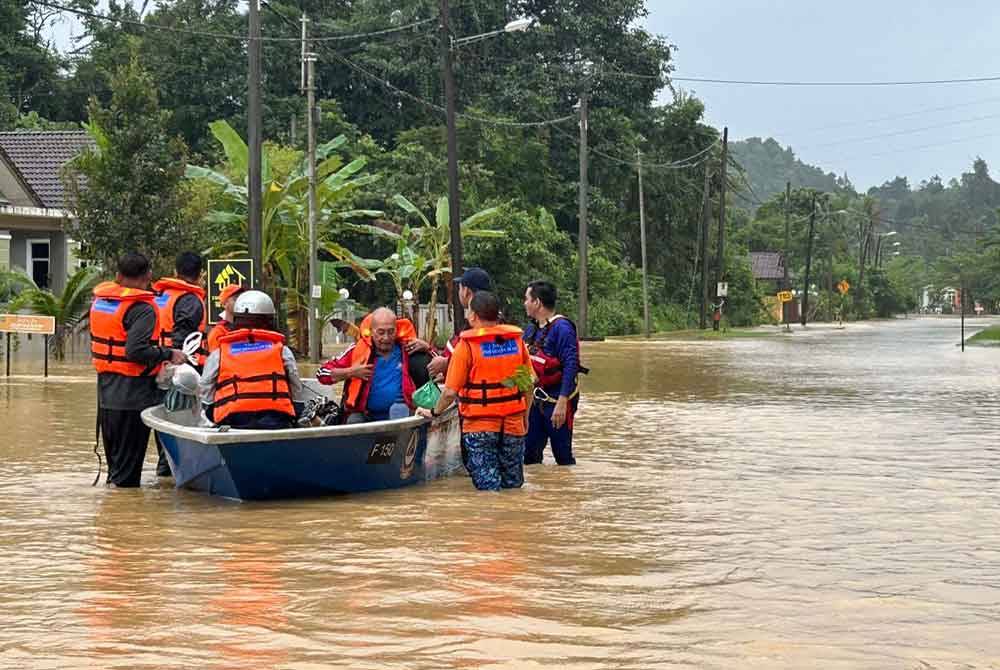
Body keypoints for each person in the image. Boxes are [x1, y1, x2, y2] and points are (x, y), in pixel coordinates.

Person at [417, 291, 532, 491]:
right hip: (514, 423)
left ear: (473, 316)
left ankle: (490, 521)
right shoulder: (516, 342)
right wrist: (526, 416)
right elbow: (527, 385)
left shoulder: (467, 347)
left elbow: (450, 392)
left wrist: (434, 412)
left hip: (480, 426)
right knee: (513, 486)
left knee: (488, 489)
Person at [90, 252, 187, 488]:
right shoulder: (142, 308)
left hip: (106, 394)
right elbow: (135, 351)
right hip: (132, 397)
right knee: (127, 481)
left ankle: (112, 520)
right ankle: (124, 521)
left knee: (117, 472)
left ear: (117, 275)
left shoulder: (101, 301)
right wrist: (169, 354)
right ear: (148, 276)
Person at [198, 290, 304, 430]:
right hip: (276, 418)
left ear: (237, 319)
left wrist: (213, 410)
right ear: (269, 319)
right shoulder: (282, 351)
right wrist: (297, 411)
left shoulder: (220, 353)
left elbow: (206, 388)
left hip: (232, 419)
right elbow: (296, 387)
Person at [316, 307, 431, 422]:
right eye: (381, 332)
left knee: (409, 416)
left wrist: (428, 348)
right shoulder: (357, 351)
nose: (386, 338)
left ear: (397, 330)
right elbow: (322, 373)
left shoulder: (408, 348)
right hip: (366, 416)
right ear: (371, 331)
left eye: (391, 332)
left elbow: (442, 368)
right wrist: (351, 372)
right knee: (354, 421)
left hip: (402, 414)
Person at [152, 251, 207, 474]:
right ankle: (172, 469)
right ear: (200, 274)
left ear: (175, 272)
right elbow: (184, 337)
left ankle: (165, 466)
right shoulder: (190, 300)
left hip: (159, 364)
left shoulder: (161, 295)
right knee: (182, 419)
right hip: (182, 370)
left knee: (164, 417)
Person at [522, 280, 584, 466]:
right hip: (536, 401)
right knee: (529, 457)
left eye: (527, 299)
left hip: (557, 401)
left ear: (537, 302)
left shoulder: (562, 328)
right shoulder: (532, 329)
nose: (524, 303)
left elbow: (571, 364)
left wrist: (563, 402)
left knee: (563, 457)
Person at [426, 267, 493, 378]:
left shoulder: (479, 322)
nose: (459, 292)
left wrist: (448, 363)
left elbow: (484, 354)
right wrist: (427, 348)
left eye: (460, 288)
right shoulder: (494, 318)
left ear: (466, 291)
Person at [206, 284, 246, 353]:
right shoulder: (218, 332)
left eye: (242, 299)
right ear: (224, 304)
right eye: (235, 299)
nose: (240, 302)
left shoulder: (248, 328)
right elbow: (214, 361)